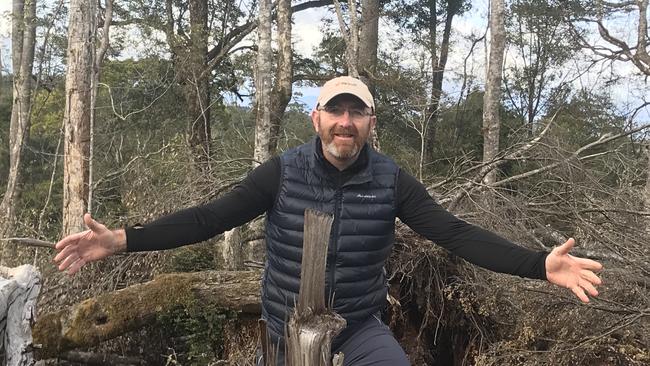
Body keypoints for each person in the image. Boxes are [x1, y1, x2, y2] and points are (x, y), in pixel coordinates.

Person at [54, 76, 603, 366]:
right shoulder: (284, 173)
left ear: (369, 122)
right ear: (316, 117)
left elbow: (454, 233)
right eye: (335, 111)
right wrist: (121, 240)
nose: (345, 123)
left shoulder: (391, 181)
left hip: (358, 326)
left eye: (356, 112)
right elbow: (208, 218)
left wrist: (539, 265)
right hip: (285, 329)